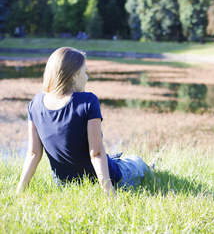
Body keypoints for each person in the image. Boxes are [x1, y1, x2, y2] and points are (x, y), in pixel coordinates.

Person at [17, 47, 150, 196]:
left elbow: (33, 153)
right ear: (73, 76)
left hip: (65, 185)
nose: (87, 77)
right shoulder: (88, 101)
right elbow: (96, 153)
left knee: (115, 159)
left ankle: (117, 160)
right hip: (108, 178)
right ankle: (149, 167)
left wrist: (19, 191)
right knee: (137, 161)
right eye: (85, 72)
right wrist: (109, 193)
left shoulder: (35, 104)